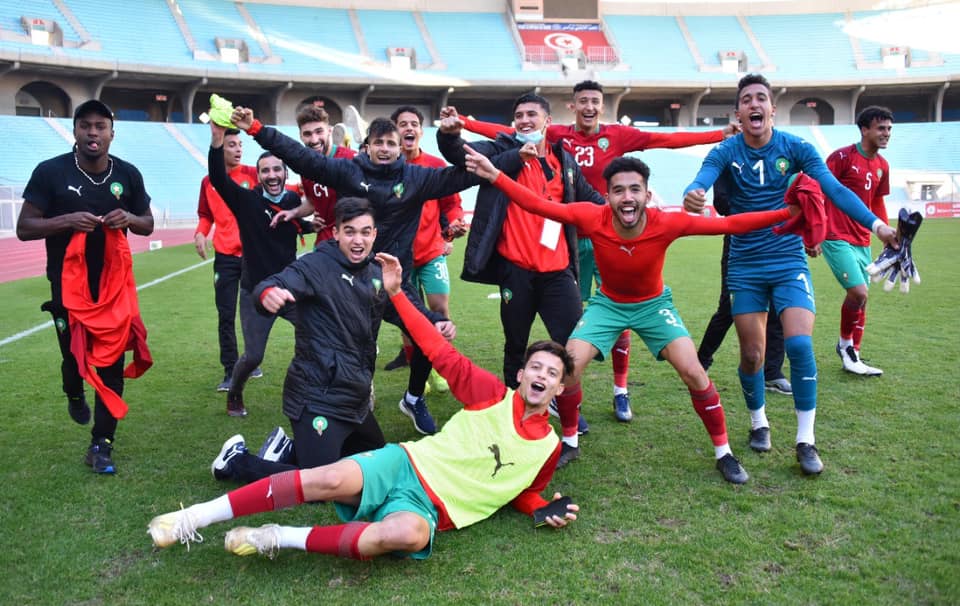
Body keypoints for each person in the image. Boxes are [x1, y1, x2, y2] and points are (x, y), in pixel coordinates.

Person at [148, 252, 579, 561]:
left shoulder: (548, 448)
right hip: (407, 464)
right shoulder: (491, 394)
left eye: (551, 373)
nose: (541, 376)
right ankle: (194, 518)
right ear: (521, 373)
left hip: (431, 509)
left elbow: (523, 490)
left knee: (406, 536)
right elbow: (437, 348)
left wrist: (541, 508)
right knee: (329, 477)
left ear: (560, 387)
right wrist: (397, 295)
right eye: (535, 367)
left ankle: (279, 536)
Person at [465, 148, 806, 482]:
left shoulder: (666, 222)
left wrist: (786, 212)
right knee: (569, 367)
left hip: (654, 306)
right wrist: (495, 175)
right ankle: (569, 442)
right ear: (607, 197)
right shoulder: (592, 216)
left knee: (694, 372)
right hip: (608, 305)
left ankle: (723, 453)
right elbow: (538, 204)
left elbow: (730, 223)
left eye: (634, 190)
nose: (627, 198)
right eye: (618, 191)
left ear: (647, 194)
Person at [454, 80, 738, 423]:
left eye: (595, 101)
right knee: (545, 336)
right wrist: (463, 124)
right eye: (582, 101)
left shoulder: (606, 141)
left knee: (604, 315)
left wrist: (718, 134)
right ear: (572, 107)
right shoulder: (542, 140)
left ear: (601, 106)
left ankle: (614, 390)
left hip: (601, 231)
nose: (589, 107)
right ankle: (523, 406)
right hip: (557, 242)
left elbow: (662, 140)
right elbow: (498, 135)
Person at [682, 74, 898, 475]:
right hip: (745, 263)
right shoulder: (725, 150)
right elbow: (702, 180)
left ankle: (806, 441)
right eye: (747, 100)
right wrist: (692, 193)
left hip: (787, 259)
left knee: (799, 346)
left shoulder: (796, 147)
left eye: (761, 98)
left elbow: (835, 190)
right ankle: (758, 422)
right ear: (738, 113)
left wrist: (878, 226)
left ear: (772, 109)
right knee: (752, 355)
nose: (754, 104)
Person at [230, 107, 478, 435]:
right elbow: (301, 158)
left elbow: (465, 175)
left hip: (393, 282)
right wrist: (256, 128)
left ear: (400, 147)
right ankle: (343, 399)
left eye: (391, 143)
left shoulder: (416, 177)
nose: (385, 148)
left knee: (428, 332)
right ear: (368, 146)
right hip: (352, 279)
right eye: (379, 142)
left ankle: (414, 397)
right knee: (351, 343)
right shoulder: (348, 171)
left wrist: (509, 160)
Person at [437, 94, 603, 466]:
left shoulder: (564, 160)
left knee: (572, 349)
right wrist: (448, 135)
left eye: (532, 114)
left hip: (558, 272)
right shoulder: (502, 150)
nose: (525, 120)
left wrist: (624, 207)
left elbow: (593, 201)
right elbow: (459, 153)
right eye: (518, 115)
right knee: (515, 345)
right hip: (516, 271)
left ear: (547, 120)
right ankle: (515, 412)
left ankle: (564, 413)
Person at [211, 197, 398, 484]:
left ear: (374, 234)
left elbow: (406, 307)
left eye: (365, 232)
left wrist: (437, 321)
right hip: (316, 396)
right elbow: (274, 283)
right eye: (349, 231)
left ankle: (288, 450)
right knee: (321, 482)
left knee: (376, 466)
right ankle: (236, 461)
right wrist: (267, 294)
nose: (358, 240)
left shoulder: (377, 272)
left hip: (354, 396)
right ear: (336, 233)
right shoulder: (315, 266)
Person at [16, 99, 154, 473]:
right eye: (86, 125)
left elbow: (147, 224)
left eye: (100, 126)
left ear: (111, 133)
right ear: (75, 130)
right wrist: (67, 221)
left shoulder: (128, 174)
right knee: (75, 359)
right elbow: (24, 227)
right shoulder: (50, 172)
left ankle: (101, 445)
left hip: (113, 289)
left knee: (111, 364)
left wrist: (129, 218)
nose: (93, 133)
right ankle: (74, 392)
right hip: (67, 286)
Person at [206, 121, 313, 417]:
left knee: (316, 336)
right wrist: (217, 140)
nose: (272, 175)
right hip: (256, 290)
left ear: (285, 173)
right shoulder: (246, 201)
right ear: (259, 175)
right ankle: (235, 392)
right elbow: (217, 177)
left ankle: (312, 391)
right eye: (265, 170)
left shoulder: (293, 200)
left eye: (277, 169)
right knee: (253, 356)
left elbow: (294, 224)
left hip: (290, 289)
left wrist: (311, 225)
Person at [386, 105, 467, 387]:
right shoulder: (387, 167)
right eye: (402, 124)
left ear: (421, 131)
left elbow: (452, 204)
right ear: (395, 131)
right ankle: (420, 374)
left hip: (432, 252)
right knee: (408, 317)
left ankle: (443, 367)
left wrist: (455, 223)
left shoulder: (434, 165)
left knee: (439, 309)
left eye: (414, 124)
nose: (409, 128)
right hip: (399, 257)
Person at [696, 173, 791, 395]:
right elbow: (721, 202)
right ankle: (701, 362)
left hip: (774, 241)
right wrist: (755, 207)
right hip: (740, 241)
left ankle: (772, 373)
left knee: (776, 306)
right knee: (728, 308)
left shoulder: (777, 161)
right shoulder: (728, 162)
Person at [818, 106, 893, 376]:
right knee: (859, 292)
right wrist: (816, 230)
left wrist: (885, 232)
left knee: (862, 298)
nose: (886, 133)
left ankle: (854, 355)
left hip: (862, 238)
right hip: (835, 235)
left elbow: (877, 202)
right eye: (881, 128)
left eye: (889, 129)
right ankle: (845, 346)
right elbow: (820, 192)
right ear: (864, 130)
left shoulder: (883, 166)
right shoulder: (841, 157)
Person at [194, 128, 262, 392]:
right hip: (224, 258)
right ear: (219, 149)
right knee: (225, 315)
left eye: (240, 144)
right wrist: (201, 233)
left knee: (254, 311)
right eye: (231, 144)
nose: (238, 149)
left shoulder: (253, 174)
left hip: (252, 255)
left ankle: (252, 361)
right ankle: (230, 370)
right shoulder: (208, 182)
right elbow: (205, 214)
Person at [272, 105, 357, 246]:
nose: (314, 139)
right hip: (324, 241)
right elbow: (312, 202)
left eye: (319, 131)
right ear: (300, 136)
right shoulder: (305, 166)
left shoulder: (351, 158)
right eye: (307, 134)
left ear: (329, 131)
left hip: (351, 242)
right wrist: (293, 213)